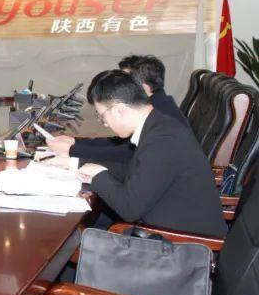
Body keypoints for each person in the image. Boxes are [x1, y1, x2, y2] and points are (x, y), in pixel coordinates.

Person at [75, 70, 226, 237]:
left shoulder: (163, 140)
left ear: (119, 110)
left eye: (102, 117)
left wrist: (98, 176)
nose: (105, 124)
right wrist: (76, 165)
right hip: (166, 230)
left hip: (184, 245)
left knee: (82, 236)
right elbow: (132, 172)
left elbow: (129, 208)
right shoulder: (159, 125)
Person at [49, 55, 189, 163]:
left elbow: (126, 154)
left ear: (144, 87)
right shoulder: (158, 105)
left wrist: (74, 152)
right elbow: (121, 143)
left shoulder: (160, 115)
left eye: (126, 82)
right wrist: (76, 142)